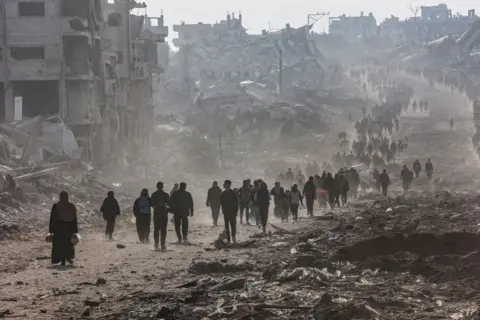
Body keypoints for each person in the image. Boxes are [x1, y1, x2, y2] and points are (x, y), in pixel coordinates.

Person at [49, 191, 78, 265]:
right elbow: (74, 218)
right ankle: (68, 257)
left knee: (59, 244)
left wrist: (51, 229)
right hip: (69, 228)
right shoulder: (71, 206)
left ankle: (62, 260)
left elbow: (53, 218)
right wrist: (75, 229)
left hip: (59, 228)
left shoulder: (56, 206)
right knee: (68, 243)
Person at [150, 182, 170, 251]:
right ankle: (163, 244)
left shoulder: (154, 194)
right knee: (163, 230)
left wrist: (155, 207)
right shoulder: (166, 195)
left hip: (156, 214)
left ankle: (156, 244)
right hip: (164, 214)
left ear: (156, 186)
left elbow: (151, 204)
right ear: (162, 186)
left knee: (156, 229)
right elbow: (168, 203)